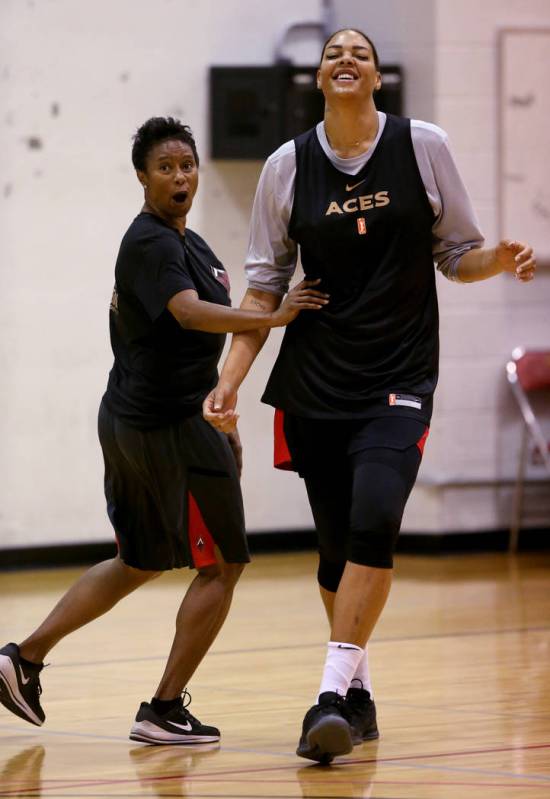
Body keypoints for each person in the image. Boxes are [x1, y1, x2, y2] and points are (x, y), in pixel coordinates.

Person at [203, 29, 537, 765]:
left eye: (359, 51)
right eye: (333, 54)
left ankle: (326, 696)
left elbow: (457, 253)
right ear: (318, 80)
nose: (346, 58)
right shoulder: (286, 167)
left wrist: (498, 261)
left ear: (379, 76)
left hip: (400, 375)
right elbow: (262, 285)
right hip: (317, 377)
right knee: (335, 552)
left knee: (376, 519)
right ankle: (359, 693)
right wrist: (229, 379)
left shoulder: (423, 145)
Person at [0, 117, 326, 745]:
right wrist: (281, 314)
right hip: (163, 425)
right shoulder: (151, 243)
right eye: (165, 167)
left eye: (187, 165)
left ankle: (22, 658)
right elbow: (189, 312)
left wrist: (221, 409)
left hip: (139, 419)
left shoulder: (190, 244)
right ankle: (163, 710)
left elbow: (187, 339)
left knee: (137, 560)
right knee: (224, 565)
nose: (180, 176)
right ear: (142, 177)